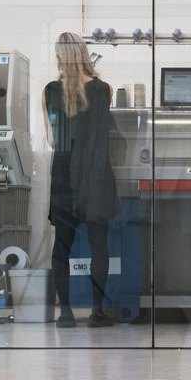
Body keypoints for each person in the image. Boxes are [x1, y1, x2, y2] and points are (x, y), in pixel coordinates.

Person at [46, 33, 120, 328]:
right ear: (84, 54)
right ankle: (97, 312)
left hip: (64, 175)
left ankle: (65, 313)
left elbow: (52, 140)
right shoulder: (103, 89)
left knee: (62, 245)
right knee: (98, 245)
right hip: (95, 174)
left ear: (59, 57)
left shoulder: (50, 91)